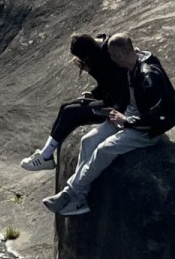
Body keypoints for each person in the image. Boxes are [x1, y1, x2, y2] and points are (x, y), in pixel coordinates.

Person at [42, 33, 175, 218]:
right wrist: (117, 112)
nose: (110, 59)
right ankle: (79, 200)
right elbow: (121, 92)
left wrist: (127, 121)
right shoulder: (132, 63)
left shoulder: (149, 76)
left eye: (111, 55)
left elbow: (159, 116)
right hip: (127, 117)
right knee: (88, 140)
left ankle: (69, 193)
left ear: (118, 54)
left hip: (144, 130)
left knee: (104, 149)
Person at [20, 33, 130, 173]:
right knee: (65, 106)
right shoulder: (101, 43)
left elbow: (112, 84)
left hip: (117, 106)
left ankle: (45, 157)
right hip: (112, 97)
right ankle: (45, 155)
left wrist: (90, 71)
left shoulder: (106, 55)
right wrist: (94, 94)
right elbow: (110, 82)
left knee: (71, 112)